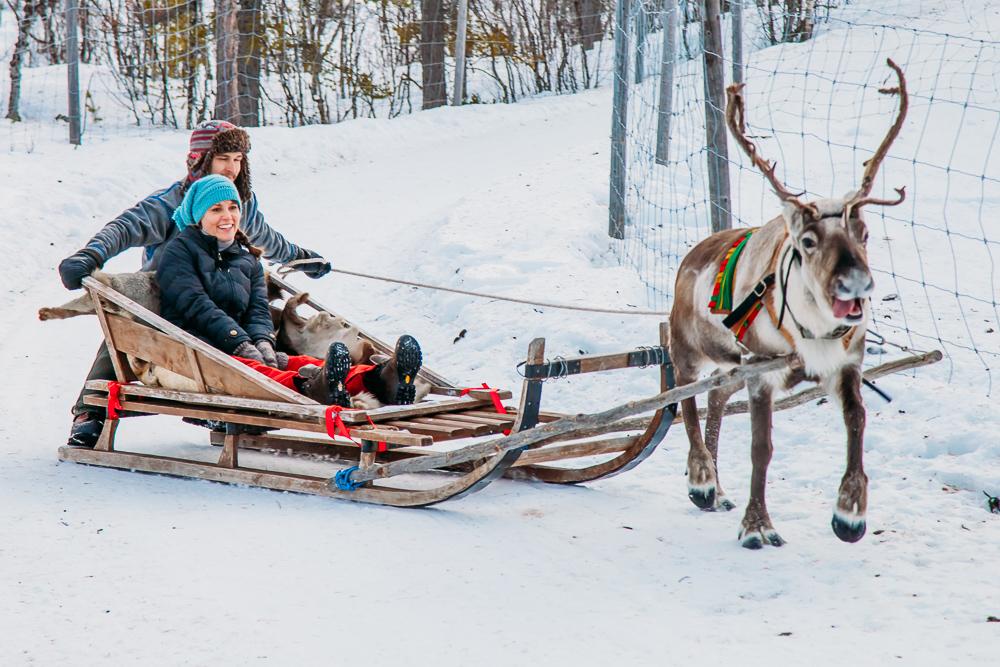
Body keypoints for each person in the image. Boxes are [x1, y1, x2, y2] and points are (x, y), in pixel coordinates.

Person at [60, 120, 332, 446]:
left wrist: (300, 256)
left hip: (224, 300)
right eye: (223, 159)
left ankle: (293, 386)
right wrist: (91, 255)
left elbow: (266, 239)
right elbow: (124, 227)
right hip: (167, 301)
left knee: (266, 323)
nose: (232, 168)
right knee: (126, 327)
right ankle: (90, 410)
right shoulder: (172, 202)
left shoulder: (239, 201)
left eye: (238, 159)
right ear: (200, 160)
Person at [152, 175, 422, 412]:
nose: (228, 216)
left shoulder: (246, 259)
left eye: (233, 208)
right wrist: (241, 343)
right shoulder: (179, 252)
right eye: (216, 209)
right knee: (260, 372)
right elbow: (195, 305)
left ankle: (381, 379)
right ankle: (313, 389)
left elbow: (258, 310)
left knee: (299, 362)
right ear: (199, 216)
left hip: (240, 347)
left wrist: (263, 343)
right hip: (197, 349)